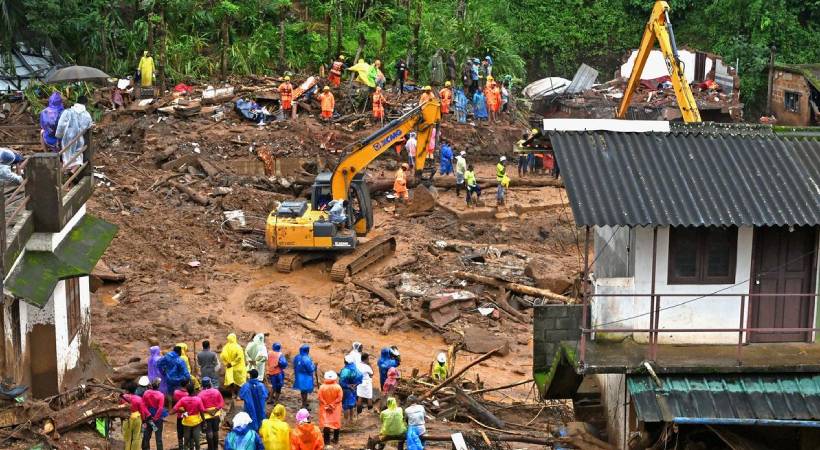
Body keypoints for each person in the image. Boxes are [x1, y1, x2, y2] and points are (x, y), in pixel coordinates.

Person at [55, 95, 93, 171]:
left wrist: (59, 135)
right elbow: (89, 125)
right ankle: (72, 171)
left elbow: (61, 125)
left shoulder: (67, 112)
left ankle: (66, 170)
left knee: (66, 155)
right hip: (79, 138)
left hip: (67, 137)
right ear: (85, 103)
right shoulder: (87, 115)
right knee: (78, 155)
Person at [172, 384, 206, 450]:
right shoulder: (198, 399)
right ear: (193, 390)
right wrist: (204, 422)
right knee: (196, 440)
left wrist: (173, 412)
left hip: (187, 422)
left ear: (187, 390)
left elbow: (175, 409)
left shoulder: (183, 399)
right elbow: (202, 411)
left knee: (186, 440)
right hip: (196, 422)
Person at [221, 333, 248, 407]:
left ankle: (232, 394)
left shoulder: (225, 347)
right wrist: (233, 363)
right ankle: (238, 395)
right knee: (240, 383)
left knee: (231, 381)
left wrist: (227, 363)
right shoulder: (238, 347)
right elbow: (239, 358)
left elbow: (222, 356)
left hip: (230, 368)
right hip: (238, 368)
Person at [198, 377, 224, 450]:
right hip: (216, 415)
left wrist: (207, 411)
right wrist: (215, 410)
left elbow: (200, 407)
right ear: (210, 383)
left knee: (209, 432)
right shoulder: (216, 391)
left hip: (206, 417)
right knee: (215, 431)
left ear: (202, 384)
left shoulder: (200, 394)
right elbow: (222, 403)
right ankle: (216, 447)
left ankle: (210, 448)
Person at [121, 384, 149, 450]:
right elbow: (142, 411)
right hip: (137, 418)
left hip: (126, 418)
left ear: (127, 390)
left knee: (126, 438)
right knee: (136, 437)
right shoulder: (139, 398)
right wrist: (143, 420)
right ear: (135, 390)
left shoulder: (122, 397)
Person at [318, 371, 343, 445]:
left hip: (325, 408)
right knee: (336, 423)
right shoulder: (338, 387)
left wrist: (326, 404)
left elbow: (320, 397)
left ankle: (326, 441)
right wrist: (332, 404)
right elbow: (340, 398)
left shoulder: (322, 387)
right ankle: (336, 439)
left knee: (326, 424)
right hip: (335, 408)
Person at [142, 378, 166, 450]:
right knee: (158, 437)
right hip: (157, 419)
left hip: (148, 418)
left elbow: (143, 405)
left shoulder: (146, 393)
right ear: (158, 386)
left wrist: (148, 414)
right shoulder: (161, 395)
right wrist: (155, 418)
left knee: (147, 436)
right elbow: (160, 408)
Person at [339, 355, 362, 421]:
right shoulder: (355, 369)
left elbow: (341, 382)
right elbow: (360, 378)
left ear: (345, 362)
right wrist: (355, 385)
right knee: (352, 404)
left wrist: (348, 386)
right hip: (354, 389)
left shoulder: (345, 370)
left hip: (346, 390)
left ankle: (346, 421)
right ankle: (351, 419)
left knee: (345, 406)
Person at [293, 344, 316, 409]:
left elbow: (294, 365)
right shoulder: (306, 358)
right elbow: (310, 369)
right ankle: (304, 405)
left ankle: (304, 403)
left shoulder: (297, 357)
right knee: (305, 391)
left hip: (299, 376)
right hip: (305, 377)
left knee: (303, 391)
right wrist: (314, 366)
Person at [173, 380, 191, 449]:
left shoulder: (176, 392)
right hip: (187, 415)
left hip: (179, 415)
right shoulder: (188, 394)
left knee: (180, 432)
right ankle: (187, 446)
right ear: (186, 385)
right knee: (187, 431)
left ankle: (181, 447)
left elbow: (175, 401)